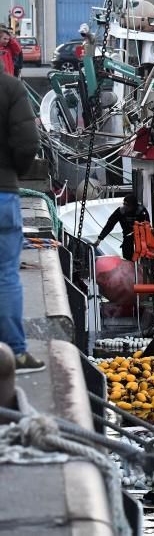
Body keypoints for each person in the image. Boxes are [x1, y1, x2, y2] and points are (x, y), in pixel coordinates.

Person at [0, 69, 42, 372]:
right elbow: (28, 144)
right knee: (5, 276)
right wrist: (12, 172)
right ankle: (14, 353)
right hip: (2, 194)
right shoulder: (10, 88)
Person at [95, 194, 149, 260]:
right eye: (124, 205)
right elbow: (110, 225)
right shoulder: (121, 211)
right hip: (127, 236)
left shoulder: (141, 211)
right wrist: (100, 238)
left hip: (141, 238)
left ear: (134, 205)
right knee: (127, 251)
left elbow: (147, 225)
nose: (126, 207)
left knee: (144, 252)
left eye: (128, 205)